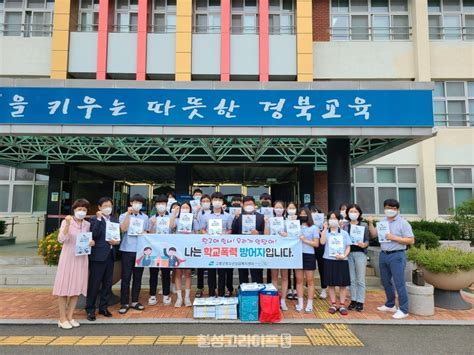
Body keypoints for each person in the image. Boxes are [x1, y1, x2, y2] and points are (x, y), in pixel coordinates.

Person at [368, 198, 415, 320]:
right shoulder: (383, 222)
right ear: (384, 209)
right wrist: (370, 223)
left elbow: (411, 240)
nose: (391, 210)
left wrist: (394, 237)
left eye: (394, 208)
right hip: (384, 254)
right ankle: (390, 304)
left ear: (398, 210)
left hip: (397, 254)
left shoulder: (403, 223)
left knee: (399, 282)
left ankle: (403, 309)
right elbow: (374, 235)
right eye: (389, 208)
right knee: (385, 281)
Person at [53, 198, 93, 329]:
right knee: (64, 288)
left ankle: (70, 316)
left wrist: (91, 243)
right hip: (68, 258)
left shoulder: (87, 224)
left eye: (84, 209)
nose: (81, 211)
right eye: (79, 209)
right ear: (74, 210)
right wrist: (68, 224)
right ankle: (62, 318)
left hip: (81, 258)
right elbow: (61, 239)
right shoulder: (66, 221)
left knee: (76, 289)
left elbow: (87, 240)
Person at [86, 197, 119, 321]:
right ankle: (90, 309)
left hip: (110, 255)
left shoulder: (114, 220)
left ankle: (103, 307)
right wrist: (99, 219)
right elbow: (94, 234)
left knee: (107, 283)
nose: (108, 208)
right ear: (99, 207)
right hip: (98, 256)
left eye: (109, 206)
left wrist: (116, 242)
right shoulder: (94, 220)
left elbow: (117, 237)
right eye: (105, 206)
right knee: (94, 283)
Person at [118, 194, 149, 314]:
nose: (137, 205)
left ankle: (135, 301)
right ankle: (124, 302)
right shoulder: (123, 215)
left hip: (140, 250)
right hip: (127, 249)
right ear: (131, 203)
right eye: (135, 202)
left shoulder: (145, 217)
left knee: (138, 277)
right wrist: (128, 215)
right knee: (126, 277)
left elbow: (147, 231)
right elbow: (123, 229)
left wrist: (144, 232)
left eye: (140, 203)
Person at [201, 192, 233, 297]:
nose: (217, 202)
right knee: (211, 270)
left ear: (223, 202)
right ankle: (211, 292)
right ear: (212, 201)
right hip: (210, 247)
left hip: (223, 247)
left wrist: (224, 234)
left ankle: (221, 292)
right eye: (215, 199)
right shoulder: (205, 216)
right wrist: (208, 235)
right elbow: (202, 229)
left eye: (219, 200)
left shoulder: (228, 216)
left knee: (222, 271)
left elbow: (230, 230)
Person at [320, 211, 352, 316]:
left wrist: (344, 255)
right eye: (331, 218)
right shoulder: (326, 232)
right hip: (329, 259)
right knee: (331, 283)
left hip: (342, 260)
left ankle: (342, 305)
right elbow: (322, 242)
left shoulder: (344, 233)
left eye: (335, 218)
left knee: (343, 284)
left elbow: (348, 246)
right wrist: (324, 229)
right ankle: (333, 304)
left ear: (339, 220)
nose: (333, 220)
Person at [170, 201, 199, 307]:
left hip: (189, 249)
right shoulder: (176, 220)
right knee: (177, 273)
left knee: (187, 273)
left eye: (187, 208)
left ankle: (187, 297)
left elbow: (198, 233)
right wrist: (174, 214)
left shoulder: (194, 221)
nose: (185, 209)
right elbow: (171, 226)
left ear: (190, 210)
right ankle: (179, 298)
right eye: (183, 207)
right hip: (178, 249)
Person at [343, 203, 369, 312]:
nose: (353, 213)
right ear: (348, 213)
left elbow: (367, 240)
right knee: (352, 279)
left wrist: (364, 244)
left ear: (359, 213)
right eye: (351, 211)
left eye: (355, 211)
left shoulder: (364, 225)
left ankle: (360, 301)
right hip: (348, 254)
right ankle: (353, 300)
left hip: (360, 253)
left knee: (360, 279)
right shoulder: (345, 225)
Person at [264, 200, 290, 310]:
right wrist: (266, 223)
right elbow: (265, 235)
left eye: (280, 207)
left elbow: (294, 234)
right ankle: (275, 299)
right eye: (276, 207)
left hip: (284, 251)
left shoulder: (288, 221)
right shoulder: (270, 220)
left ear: (284, 209)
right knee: (274, 277)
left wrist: (287, 234)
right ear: (273, 209)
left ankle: (283, 300)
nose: (278, 209)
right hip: (273, 251)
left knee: (284, 277)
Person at [233, 196, 265, 284]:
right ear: (243, 206)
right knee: (242, 272)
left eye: (250, 204)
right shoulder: (239, 216)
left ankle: (257, 290)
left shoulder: (261, 217)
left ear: (255, 205)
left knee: (257, 273)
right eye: (246, 204)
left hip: (256, 249)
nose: (249, 206)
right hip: (242, 248)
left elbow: (265, 233)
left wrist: (258, 233)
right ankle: (244, 291)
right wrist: (235, 218)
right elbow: (234, 231)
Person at [147, 195, 172, 306]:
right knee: (153, 273)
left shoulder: (171, 217)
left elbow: (174, 228)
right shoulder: (152, 218)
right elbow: (150, 234)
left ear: (166, 205)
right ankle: (152, 296)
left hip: (167, 249)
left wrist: (174, 215)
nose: (161, 206)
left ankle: (166, 295)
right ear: (155, 205)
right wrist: (152, 225)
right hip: (155, 249)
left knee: (166, 273)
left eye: (163, 203)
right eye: (158, 204)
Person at [294, 207, 320, 313]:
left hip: (309, 255)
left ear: (308, 215)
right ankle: (300, 303)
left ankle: (309, 304)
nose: (303, 215)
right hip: (297, 254)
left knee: (310, 281)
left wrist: (305, 240)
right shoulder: (295, 226)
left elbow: (316, 243)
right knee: (299, 280)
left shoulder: (314, 228)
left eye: (305, 214)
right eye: (301, 214)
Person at [312, 206, 327, 299]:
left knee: (322, 268)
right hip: (311, 247)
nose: (315, 214)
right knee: (310, 270)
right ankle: (311, 290)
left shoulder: (324, 224)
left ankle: (324, 289)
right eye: (313, 213)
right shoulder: (307, 224)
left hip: (321, 248)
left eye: (317, 212)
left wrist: (322, 231)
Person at [286, 201, 298, 300]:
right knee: (288, 269)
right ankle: (289, 289)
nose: (291, 210)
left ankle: (296, 290)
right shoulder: (283, 220)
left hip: (297, 247)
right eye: (290, 208)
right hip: (286, 247)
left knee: (296, 269)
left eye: (293, 208)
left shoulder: (299, 220)